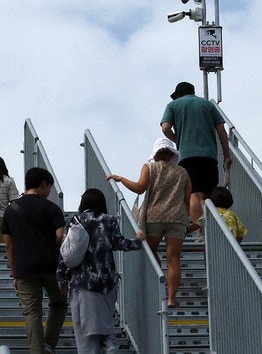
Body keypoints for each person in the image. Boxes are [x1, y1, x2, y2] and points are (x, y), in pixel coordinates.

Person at [108, 138, 191, 309]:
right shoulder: (183, 172)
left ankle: (157, 286)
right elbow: (187, 198)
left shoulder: (150, 167)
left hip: (154, 216)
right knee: (174, 259)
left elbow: (140, 188)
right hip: (177, 218)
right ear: (172, 154)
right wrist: (186, 219)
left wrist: (121, 179)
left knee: (151, 251)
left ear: (155, 153)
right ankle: (171, 299)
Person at [58, 188, 143, 354]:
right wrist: (138, 240)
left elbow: (64, 255)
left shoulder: (75, 222)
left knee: (86, 337)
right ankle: (111, 349)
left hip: (83, 284)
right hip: (107, 284)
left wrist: (61, 280)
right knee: (106, 327)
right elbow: (121, 244)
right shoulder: (109, 221)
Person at [2, 166, 67, 354]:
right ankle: (49, 344)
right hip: (51, 265)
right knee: (59, 303)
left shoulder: (11, 210)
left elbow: (9, 245)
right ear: (44, 184)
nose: (50, 191)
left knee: (32, 313)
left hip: (24, 268)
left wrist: (14, 273)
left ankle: (37, 351)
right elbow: (60, 236)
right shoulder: (52, 208)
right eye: (50, 186)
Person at [160, 81, 232, 228]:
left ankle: (200, 231)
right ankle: (213, 229)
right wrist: (226, 155)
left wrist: (178, 140)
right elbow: (221, 130)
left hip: (188, 156)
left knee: (194, 194)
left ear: (178, 95)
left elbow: (165, 127)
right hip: (210, 156)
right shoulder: (208, 104)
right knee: (208, 196)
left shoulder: (173, 105)